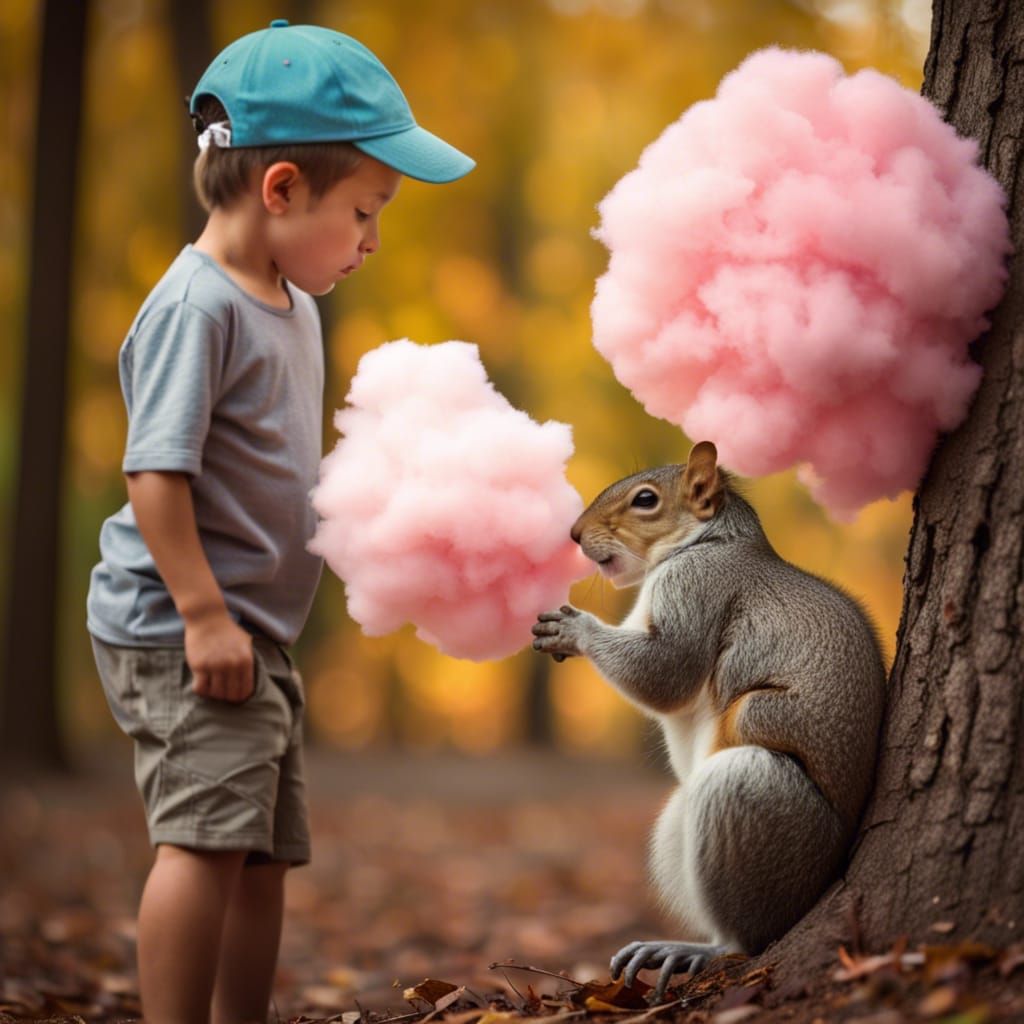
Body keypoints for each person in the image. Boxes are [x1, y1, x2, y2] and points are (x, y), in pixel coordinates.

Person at [86, 20, 474, 1024]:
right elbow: (154, 474)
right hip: (183, 628)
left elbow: (268, 461)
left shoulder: (291, 304)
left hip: (253, 630)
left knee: (261, 856)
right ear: (282, 189)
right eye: (365, 210)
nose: (374, 239)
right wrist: (205, 614)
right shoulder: (197, 307)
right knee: (204, 841)